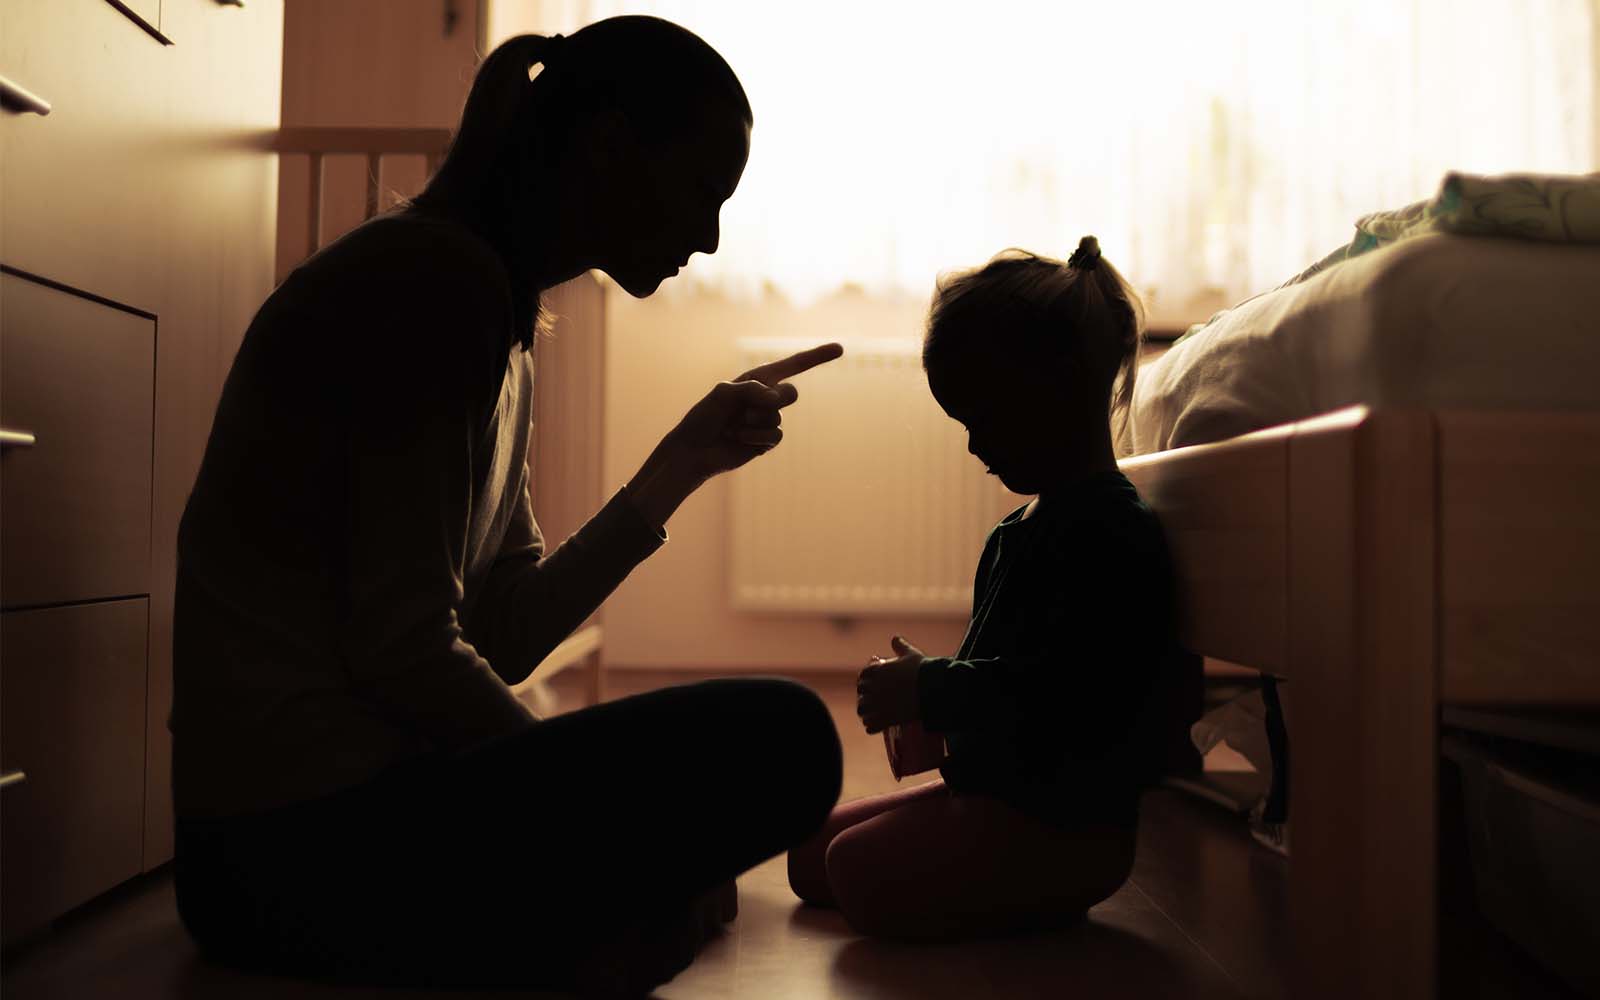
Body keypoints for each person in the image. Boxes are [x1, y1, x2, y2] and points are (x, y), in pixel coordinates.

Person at [171, 17, 843, 996]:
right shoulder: (432, 282)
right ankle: (576, 926)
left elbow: (505, 632)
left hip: (332, 829)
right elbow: (404, 650)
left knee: (754, 755)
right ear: (608, 147)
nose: (708, 237)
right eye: (703, 191)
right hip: (289, 850)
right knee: (785, 737)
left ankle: (574, 925)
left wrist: (678, 466)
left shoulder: (497, 311)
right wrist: (596, 812)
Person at [787, 237, 1179, 940]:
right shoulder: (1013, 534)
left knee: (852, 870)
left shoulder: (1112, 530)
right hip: (1000, 794)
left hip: (1067, 825)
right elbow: (1006, 681)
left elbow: (1073, 695)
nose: (974, 447)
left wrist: (935, 687)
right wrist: (934, 715)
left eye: (984, 420)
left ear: (1058, 388)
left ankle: (1039, 888)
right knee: (811, 857)